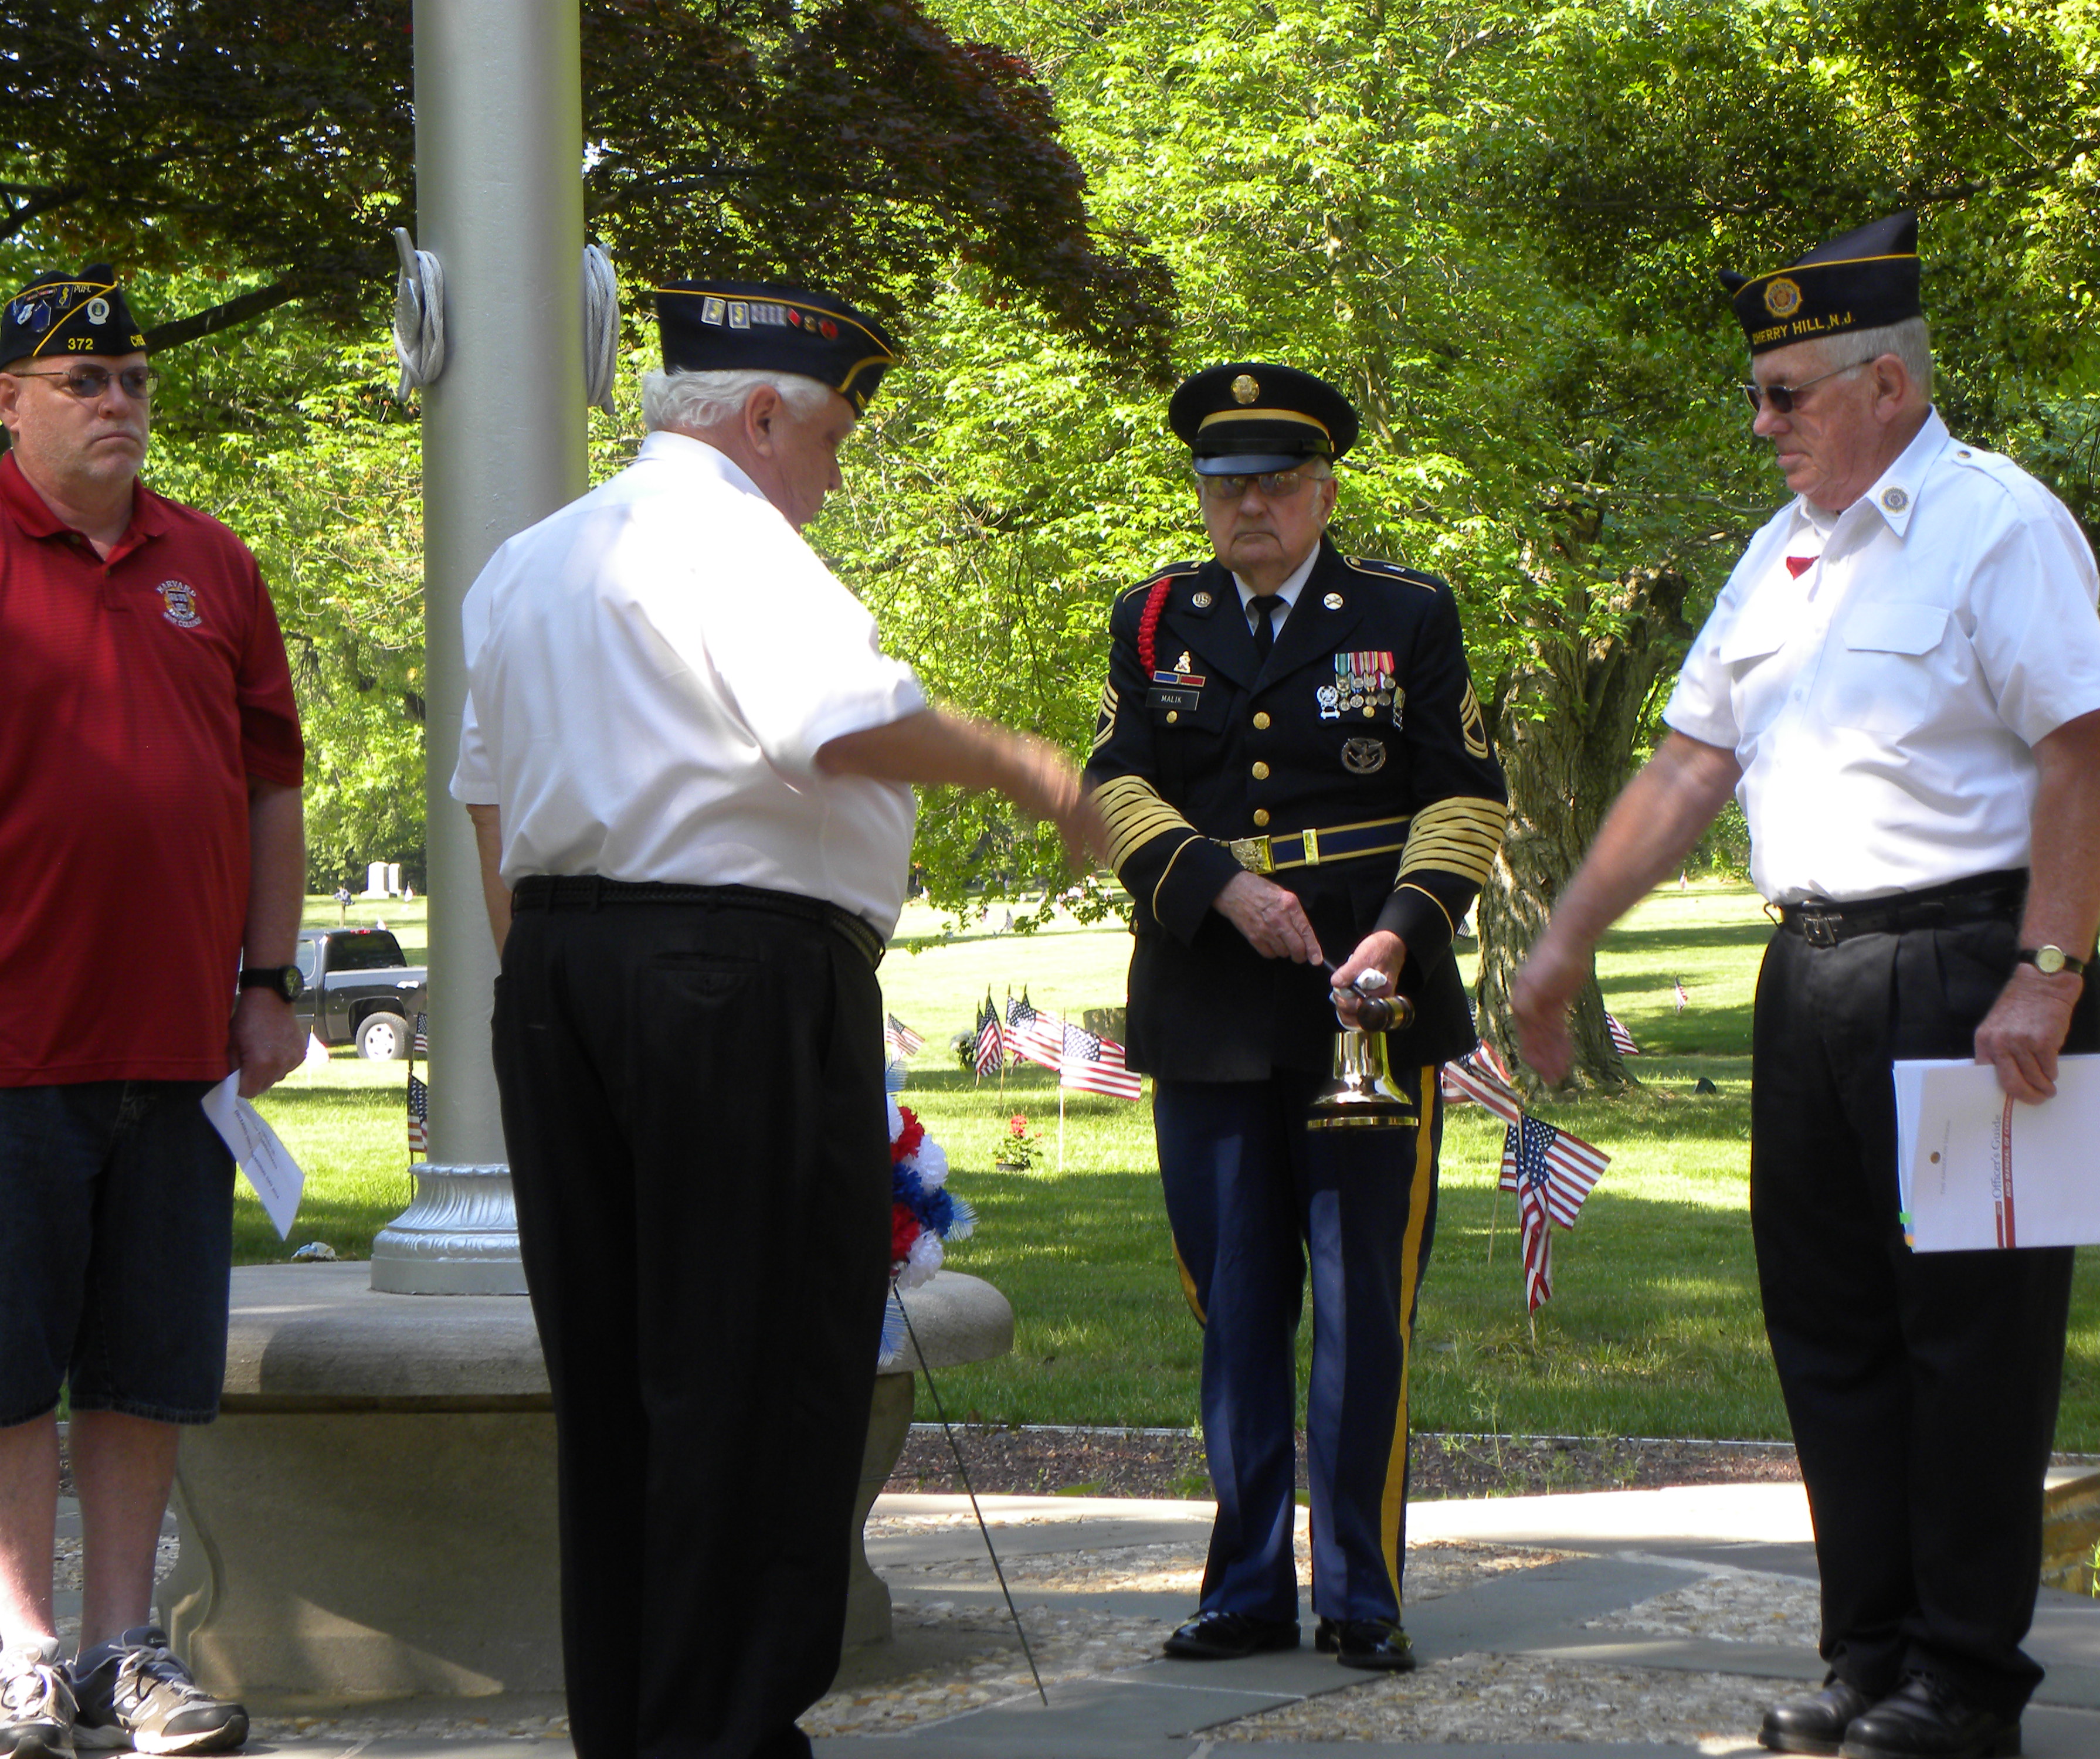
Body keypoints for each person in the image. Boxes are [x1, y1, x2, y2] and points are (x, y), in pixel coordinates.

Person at [450, 277, 1105, 1759]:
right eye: (831, 442)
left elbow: (492, 813)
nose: (832, 479)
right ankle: (729, 1732)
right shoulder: (729, 541)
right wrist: (1028, 768)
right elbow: (840, 721)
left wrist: (550, 999)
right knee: (751, 1374)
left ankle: (639, 1726)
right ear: (759, 416)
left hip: (560, 974)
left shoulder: (527, 563)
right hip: (731, 981)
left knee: (618, 1384)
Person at [1511, 214, 2100, 1759]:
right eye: (1757, 395)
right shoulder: (1779, 557)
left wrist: (2048, 974)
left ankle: (1965, 1682)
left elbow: (2084, 751)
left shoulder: (1998, 523)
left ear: (1887, 387)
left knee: (1972, 1348)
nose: (1761, 423)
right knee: (1832, 1335)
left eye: (1785, 394)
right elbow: (1688, 764)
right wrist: (1567, 937)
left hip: (1979, 972)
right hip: (1814, 975)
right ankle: (1870, 1663)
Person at [1083, 364, 1508, 1672]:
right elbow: (1113, 787)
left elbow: (1464, 797)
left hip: (1364, 1004)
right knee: (1236, 1302)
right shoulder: (1154, 618)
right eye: (1225, 486)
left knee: (1363, 1305)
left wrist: (1399, 930)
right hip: (1210, 1001)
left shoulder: (1404, 612)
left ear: (1323, 491)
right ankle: (1247, 1585)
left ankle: (1363, 1592)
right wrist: (1217, 886)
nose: (1248, 507)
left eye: (1273, 484)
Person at [0, 264, 307, 1757]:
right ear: (10, 404)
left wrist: (269, 981)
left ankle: (121, 1653)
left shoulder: (214, 564)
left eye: (131, 381)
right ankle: (20, 1654)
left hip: (182, 1050)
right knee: (7, 1371)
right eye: (82, 383)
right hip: (13, 1044)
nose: (116, 402)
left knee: (142, 1367)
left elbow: (269, 789)